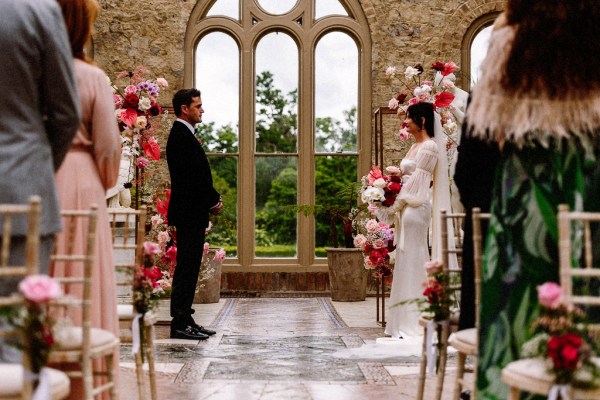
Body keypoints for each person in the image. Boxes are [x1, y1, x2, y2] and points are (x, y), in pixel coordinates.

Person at [462, 2, 600, 398]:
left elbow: (494, 124)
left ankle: (513, 385)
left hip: (526, 181)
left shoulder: (512, 27)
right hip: (590, 170)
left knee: (519, 290)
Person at [0, 0, 80, 361]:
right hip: (21, 185)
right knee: (14, 333)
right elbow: (66, 114)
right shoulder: (38, 10)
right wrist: (39, 166)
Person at [50, 0, 122, 397]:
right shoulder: (92, 77)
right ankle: (86, 381)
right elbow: (109, 150)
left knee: (48, 269)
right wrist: (103, 178)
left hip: (40, 177)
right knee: (85, 275)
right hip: (83, 178)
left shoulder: (34, 72)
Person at [376, 101, 455, 341]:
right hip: (407, 203)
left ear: (421, 121)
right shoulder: (415, 146)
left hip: (415, 206)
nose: (405, 121)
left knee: (415, 257)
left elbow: (419, 183)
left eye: (410, 117)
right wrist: (386, 184)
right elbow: (409, 176)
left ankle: (417, 319)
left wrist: (394, 203)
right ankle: (403, 319)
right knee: (405, 258)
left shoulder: (430, 146)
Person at [167, 88, 223, 340]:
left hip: (191, 212)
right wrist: (213, 201)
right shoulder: (180, 135)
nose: (202, 110)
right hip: (189, 213)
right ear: (184, 109)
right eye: (198, 106)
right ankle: (179, 323)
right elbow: (192, 179)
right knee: (186, 268)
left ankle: (186, 318)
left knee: (190, 267)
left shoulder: (184, 135)